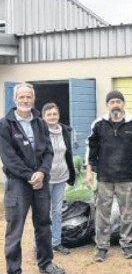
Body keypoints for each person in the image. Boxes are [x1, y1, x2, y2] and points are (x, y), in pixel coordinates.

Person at [0, 83, 66, 274]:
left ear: (33, 99)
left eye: (29, 97)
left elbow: (48, 151)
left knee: (44, 224)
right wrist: (30, 175)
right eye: (22, 97)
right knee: (15, 227)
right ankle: (13, 269)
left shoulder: (40, 122)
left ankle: (45, 264)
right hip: (18, 183)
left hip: (41, 182)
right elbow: (9, 158)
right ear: (15, 100)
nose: (25, 100)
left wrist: (42, 172)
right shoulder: (5, 125)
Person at [85, 90, 132, 262]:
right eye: (112, 102)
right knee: (102, 214)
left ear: (123, 104)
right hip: (104, 178)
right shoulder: (99, 124)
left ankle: (127, 245)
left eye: (118, 101)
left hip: (127, 178)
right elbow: (90, 149)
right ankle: (101, 247)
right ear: (108, 105)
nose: (115, 104)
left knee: (127, 214)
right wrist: (88, 172)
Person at [41, 103, 76, 255]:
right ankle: (41, 244)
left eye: (54, 114)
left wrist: (72, 173)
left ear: (58, 115)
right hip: (45, 178)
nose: (52, 117)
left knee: (57, 211)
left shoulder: (65, 131)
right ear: (43, 117)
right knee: (43, 212)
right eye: (49, 114)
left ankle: (56, 242)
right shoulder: (40, 132)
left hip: (61, 176)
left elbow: (68, 154)